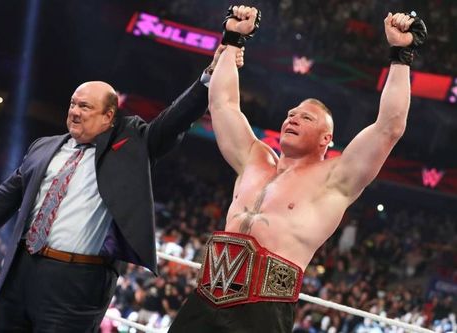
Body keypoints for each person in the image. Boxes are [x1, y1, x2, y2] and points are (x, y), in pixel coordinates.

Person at [169, 5, 427, 333]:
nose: (293, 117)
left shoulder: (334, 179)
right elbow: (223, 104)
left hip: (263, 310)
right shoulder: (254, 159)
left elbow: (389, 127)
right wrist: (234, 37)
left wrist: (401, 55)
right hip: (206, 295)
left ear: (326, 139)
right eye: (291, 113)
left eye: (306, 117)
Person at [0, 44, 244, 331]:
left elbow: (173, 121)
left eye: (85, 106)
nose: (75, 112)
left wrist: (209, 76)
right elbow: (8, 194)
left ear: (109, 116)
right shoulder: (43, 147)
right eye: (73, 103)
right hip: (18, 272)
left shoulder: (131, 146)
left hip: (76, 283)